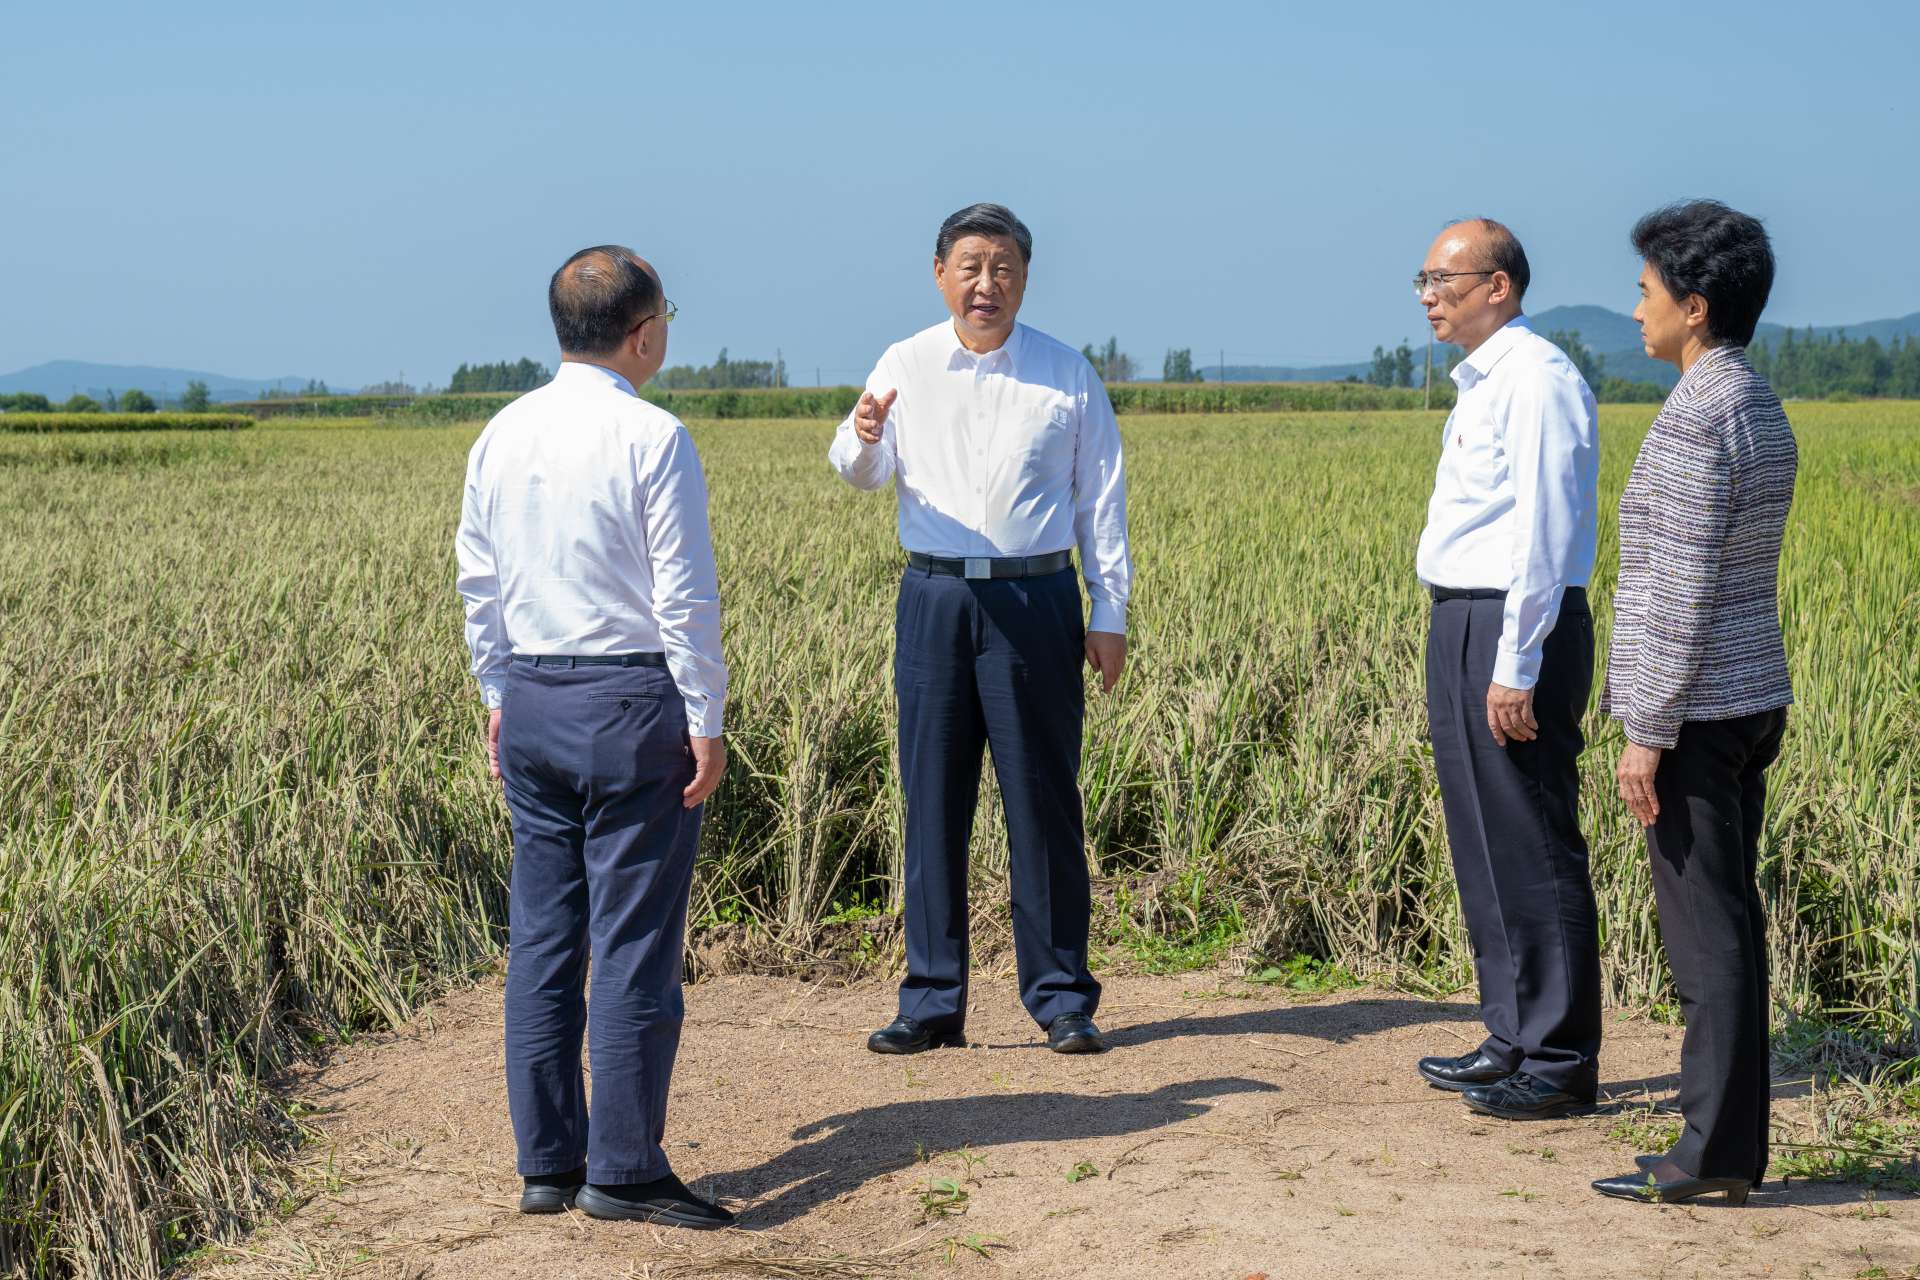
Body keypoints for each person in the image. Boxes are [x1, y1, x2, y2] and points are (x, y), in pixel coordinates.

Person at [455, 246, 732, 1229]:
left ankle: (546, 1162)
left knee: (542, 934)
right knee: (632, 940)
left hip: (528, 694)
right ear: (645, 331)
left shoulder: (500, 431)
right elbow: (683, 596)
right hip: (629, 703)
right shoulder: (655, 436)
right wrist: (707, 717)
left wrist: (498, 690)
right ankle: (622, 1165)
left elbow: (477, 582)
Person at [829, 202, 1131, 1056]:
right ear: (939, 274)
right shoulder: (904, 363)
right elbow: (859, 470)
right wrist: (861, 435)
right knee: (932, 799)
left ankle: (1061, 997)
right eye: (970, 266)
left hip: (1037, 601)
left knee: (1043, 801)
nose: (985, 283)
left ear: (1025, 277)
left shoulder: (1066, 375)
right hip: (934, 600)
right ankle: (930, 1000)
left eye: (1002, 267)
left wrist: (1108, 612)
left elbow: (1099, 501)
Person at [1591, 201, 1796, 1207]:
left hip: (1699, 708)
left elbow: (1674, 593)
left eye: (1646, 290)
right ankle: (1730, 1144)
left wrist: (1648, 731)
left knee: (1707, 936)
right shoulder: (1756, 401)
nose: (1637, 308)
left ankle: (1709, 1149)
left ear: (1695, 304)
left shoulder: (1691, 419)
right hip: (1753, 692)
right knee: (1734, 924)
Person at [1410, 218, 1605, 1120]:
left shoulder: (1537, 377)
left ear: (1501, 286)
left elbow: (1545, 529)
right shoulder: (1482, 381)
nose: (1428, 295)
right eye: (1422, 280)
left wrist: (1515, 662)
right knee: (1483, 836)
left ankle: (1561, 1058)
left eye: (1444, 279)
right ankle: (1511, 1032)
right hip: (1464, 615)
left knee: (1530, 835)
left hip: (1513, 624)